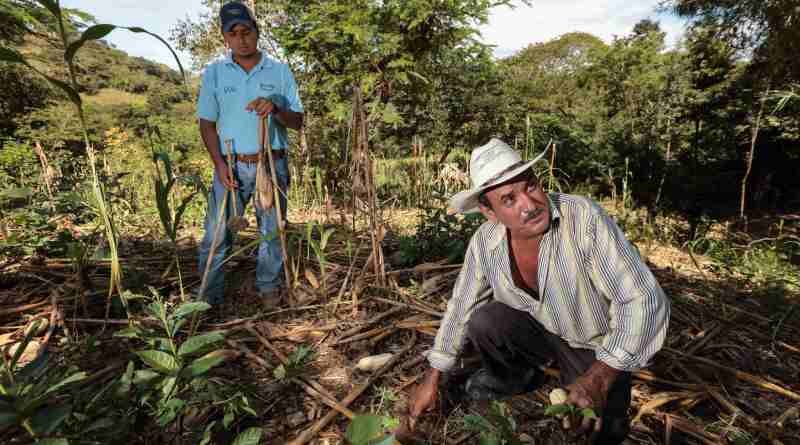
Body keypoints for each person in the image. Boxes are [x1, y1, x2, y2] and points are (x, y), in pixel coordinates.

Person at [405, 139, 670, 444]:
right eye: (509, 199)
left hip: (591, 344)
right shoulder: (485, 242)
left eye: (530, 187)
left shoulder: (582, 218)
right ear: (489, 212)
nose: (529, 205)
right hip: (539, 331)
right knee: (485, 321)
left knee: (595, 429)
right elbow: (461, 305)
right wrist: (432, 378)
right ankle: (513, 378)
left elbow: (643, 299)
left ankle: (589, 387)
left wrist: (599, 377)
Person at [196, 1, 303, 307]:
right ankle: (208, 297)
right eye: (234, 33)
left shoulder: (280, 71)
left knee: (272, 232)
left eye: (247, 31)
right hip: (230, 164)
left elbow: (298, 122)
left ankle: (268, 288)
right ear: (224, 38)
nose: (242, 38)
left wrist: (276, 108)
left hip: (271, 163)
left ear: (257, 32)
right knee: (216, 235)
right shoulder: (215, 73)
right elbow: (206, 124)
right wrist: (218, 164)